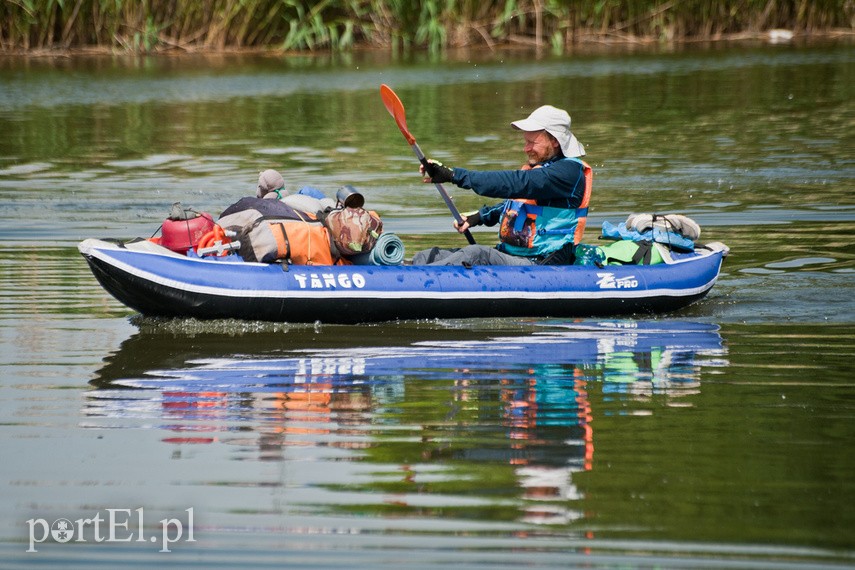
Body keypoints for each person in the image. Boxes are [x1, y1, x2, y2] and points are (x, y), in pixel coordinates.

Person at [412, 105, 593, 266]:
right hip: (515, 256)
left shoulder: (568, 173)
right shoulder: (543, 168)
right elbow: (520, 205)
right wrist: (480, 217)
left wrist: (454, 175)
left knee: (476, 254)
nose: (526, 148)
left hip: (543, 262)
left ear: (555, 141)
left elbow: (516, 183)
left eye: (532, 142)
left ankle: (417, 285)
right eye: (525, 142)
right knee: (428, 255)